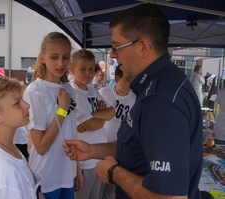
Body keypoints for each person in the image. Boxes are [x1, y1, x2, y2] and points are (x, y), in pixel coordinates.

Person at [63, 3, 203, 199]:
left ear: (143, 47)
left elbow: (170, 197)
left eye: (116, 47)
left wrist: (114, 173)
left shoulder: (161, 100)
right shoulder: (155, 85)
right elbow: (138, 146)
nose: (112, 55)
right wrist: (93, 150)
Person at [24, 32, 81, 199]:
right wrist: (62, 109)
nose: (60, 63)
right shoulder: (36, 91)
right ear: (42, 58)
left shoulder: (68, 89)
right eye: (54, 57)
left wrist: (77, 169)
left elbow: (71, 133)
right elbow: (41, 146)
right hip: (47, 175)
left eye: (65, 57)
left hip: (67, 172)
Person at [69, 49, 115, 199]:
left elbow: (111, 112)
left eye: (91, 69)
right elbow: (91, 125)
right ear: (72, 69)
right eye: (82, 69)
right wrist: (96, 120)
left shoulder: (91, 90)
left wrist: (93, 117)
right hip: (84, 160)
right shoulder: (72, 92)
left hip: (98, 157)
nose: (87, 73)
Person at [98, 65, 136, 199]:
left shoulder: (135, 98)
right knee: (98, 189)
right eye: (128, 79)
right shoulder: (104, 93)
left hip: (121, 151)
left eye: (133, 79)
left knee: (110, 189)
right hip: (101, 148)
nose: (131, 83)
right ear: (118, 78)